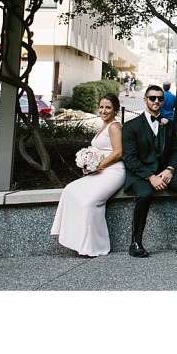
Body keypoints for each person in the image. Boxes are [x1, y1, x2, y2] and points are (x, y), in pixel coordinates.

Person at [122, 85, 177, 257]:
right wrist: (150, 176)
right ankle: (136, 242)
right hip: (141, 174)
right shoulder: (131, 126)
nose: (156, 101)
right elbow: (130, 159)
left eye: (160, 98)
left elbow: (176, 152)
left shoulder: (168, 124)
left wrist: (170, 170)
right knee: (145, 194)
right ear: (145, 100)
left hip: (165, 171)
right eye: (153, 98)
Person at [51, 93, 126, 256]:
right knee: (70, 189)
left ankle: (96, 246)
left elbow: (118, 152)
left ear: (115, 110)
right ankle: (71, 237)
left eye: (108, 107)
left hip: (114, 171)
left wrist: (98, 166)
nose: (104, 110)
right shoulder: (103, 126)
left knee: (90, 203)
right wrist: (88, 164)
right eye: (101, 107)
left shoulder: (114, 126)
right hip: (101, 169)